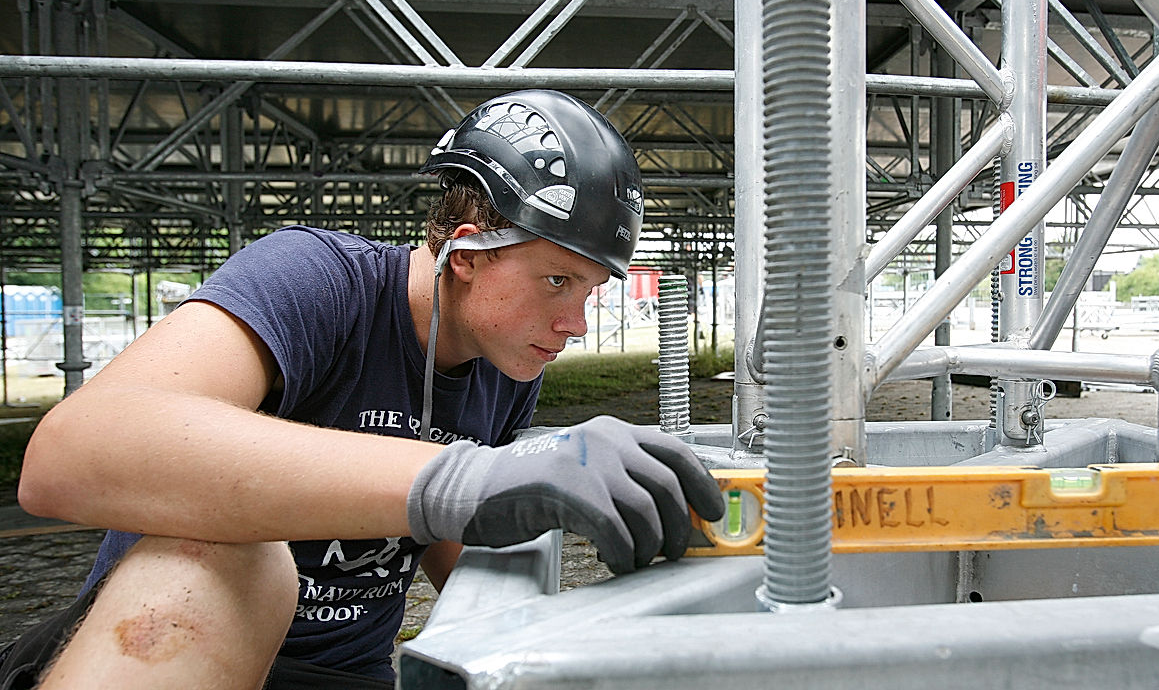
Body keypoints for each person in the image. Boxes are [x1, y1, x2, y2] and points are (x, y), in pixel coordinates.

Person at [3, 89, 725, 689]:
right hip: (169, 648)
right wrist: (469, 476)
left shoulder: (503, 365)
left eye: (592, 291)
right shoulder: (317, 282)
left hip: (346, 675)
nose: (575, 323)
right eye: (557, 281)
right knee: (226, 552)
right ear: (467, 250)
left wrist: (557, 634)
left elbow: (454, 541)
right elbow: (66, 456)